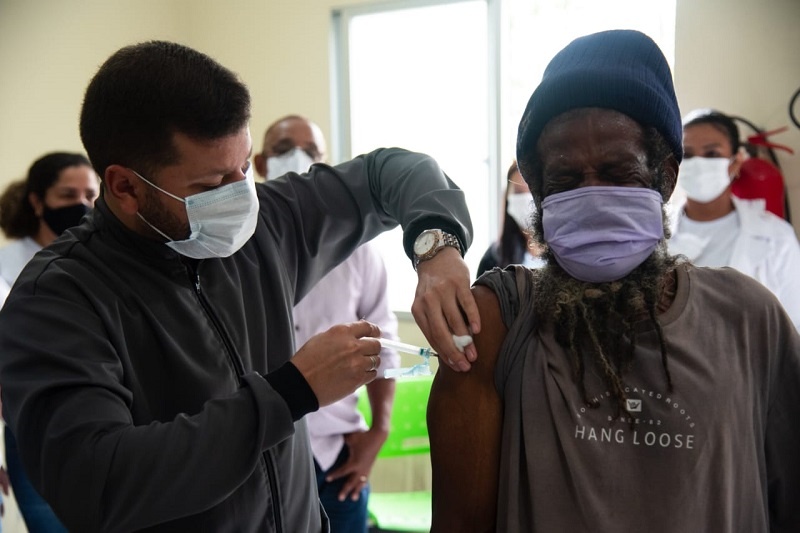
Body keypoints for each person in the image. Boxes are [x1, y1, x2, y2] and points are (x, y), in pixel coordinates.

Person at [0, 40, 478, 532]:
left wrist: (436, 247)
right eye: (209, 186)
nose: (240, 197)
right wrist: (291, 392)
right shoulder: (56, 302)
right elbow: (99, 485)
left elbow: (390, 171)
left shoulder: (268, 224)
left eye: (245, 167)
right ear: (125, 187)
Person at [427, 29, 800, 533]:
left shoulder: (749, 321)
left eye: (616, 170)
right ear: (538, 194)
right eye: (564, 180)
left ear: (665, 177)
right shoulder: (501, 321)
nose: (592, 195)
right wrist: (435, 253)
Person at [256, 115, 400, 533]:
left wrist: (380, 430)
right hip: (261, 450)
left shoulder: (358, 249)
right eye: (284, 149)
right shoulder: (236, 251)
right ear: (262, 163)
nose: (298, 159)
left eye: (311, 151)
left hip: (338, 454)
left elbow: (385, 343)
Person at [0, 151, 99, 533]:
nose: (82, 205)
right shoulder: (8, 269)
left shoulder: (106, 262)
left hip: (106, 422)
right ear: (37, 201)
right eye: (67, 195)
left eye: (90, 195)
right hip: (31, 430)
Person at [668, 108, 800, 329]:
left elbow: (794, 329)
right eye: (687, 155)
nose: (698, 164)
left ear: (736, 161)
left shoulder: (777, 237)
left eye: (712, 154)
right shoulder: (652, 234)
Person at [477, 160, 544, 277]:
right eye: (518, 193)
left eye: (531, 192)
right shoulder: (493, 258)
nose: (525, 199)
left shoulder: (566, 255)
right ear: (507, 198)